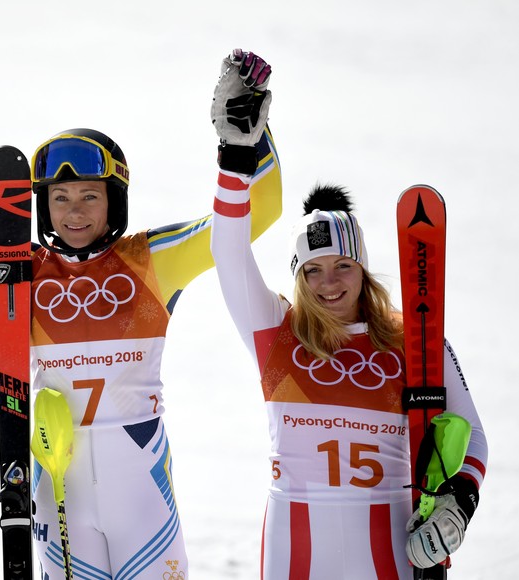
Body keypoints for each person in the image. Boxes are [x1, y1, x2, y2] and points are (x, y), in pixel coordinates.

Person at [0, 51, 282, 578]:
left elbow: (253, 219)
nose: (74, 212)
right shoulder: (20, 268)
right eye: (60, 197)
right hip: (58, 488)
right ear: (42, 205)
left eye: (89, 196)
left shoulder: (153, 261)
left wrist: (249, 135)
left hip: (141, 493)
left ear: (114, 200)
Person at [209, 49, 488, 579]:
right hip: (294, 543)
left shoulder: (412, 338)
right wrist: (234, 158)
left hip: (387, 542)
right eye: (312, 271)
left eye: (342, 266)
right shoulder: (274, 333)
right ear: (297, 277)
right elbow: (227, 252)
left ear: (363, 269)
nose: (328, 283)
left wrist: (458, 505)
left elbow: (471, 433)